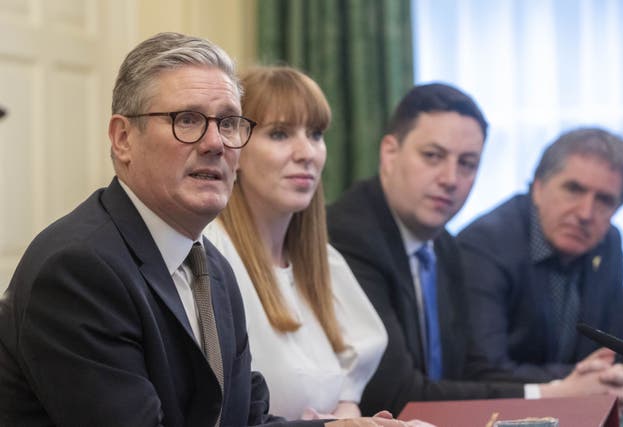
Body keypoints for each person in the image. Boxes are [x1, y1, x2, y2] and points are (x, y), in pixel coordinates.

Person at [0, 32, 414, 427]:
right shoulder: (80, 269)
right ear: (123, 138)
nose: (215, 143)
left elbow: (246, 421)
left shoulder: (210, 266)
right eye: (187, 119)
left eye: (230, 123)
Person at [326, 82, 623, 416]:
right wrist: (558, 390)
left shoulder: (440, 245)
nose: (450, 178)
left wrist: (606, 378)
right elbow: (399, 393)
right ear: (390, 153)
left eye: (468, 164)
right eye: (432, 156)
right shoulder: (353, 235)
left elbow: (458, 370)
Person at [203, 66, 409, 422]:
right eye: (280, 134)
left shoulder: (326, 264)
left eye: (315, 134)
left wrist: (347, 412)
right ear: (236, 147)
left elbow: (348, 387)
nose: (307, 153)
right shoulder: (211, 257)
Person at [456, 127, 623, 382]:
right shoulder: (485, 244)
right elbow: (484, 371)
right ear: (538, 188)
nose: (585, 213)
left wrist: (619, 373)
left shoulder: (607, 242)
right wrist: (590, 380)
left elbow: (620, 352)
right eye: (574, 189)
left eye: (604, 200)